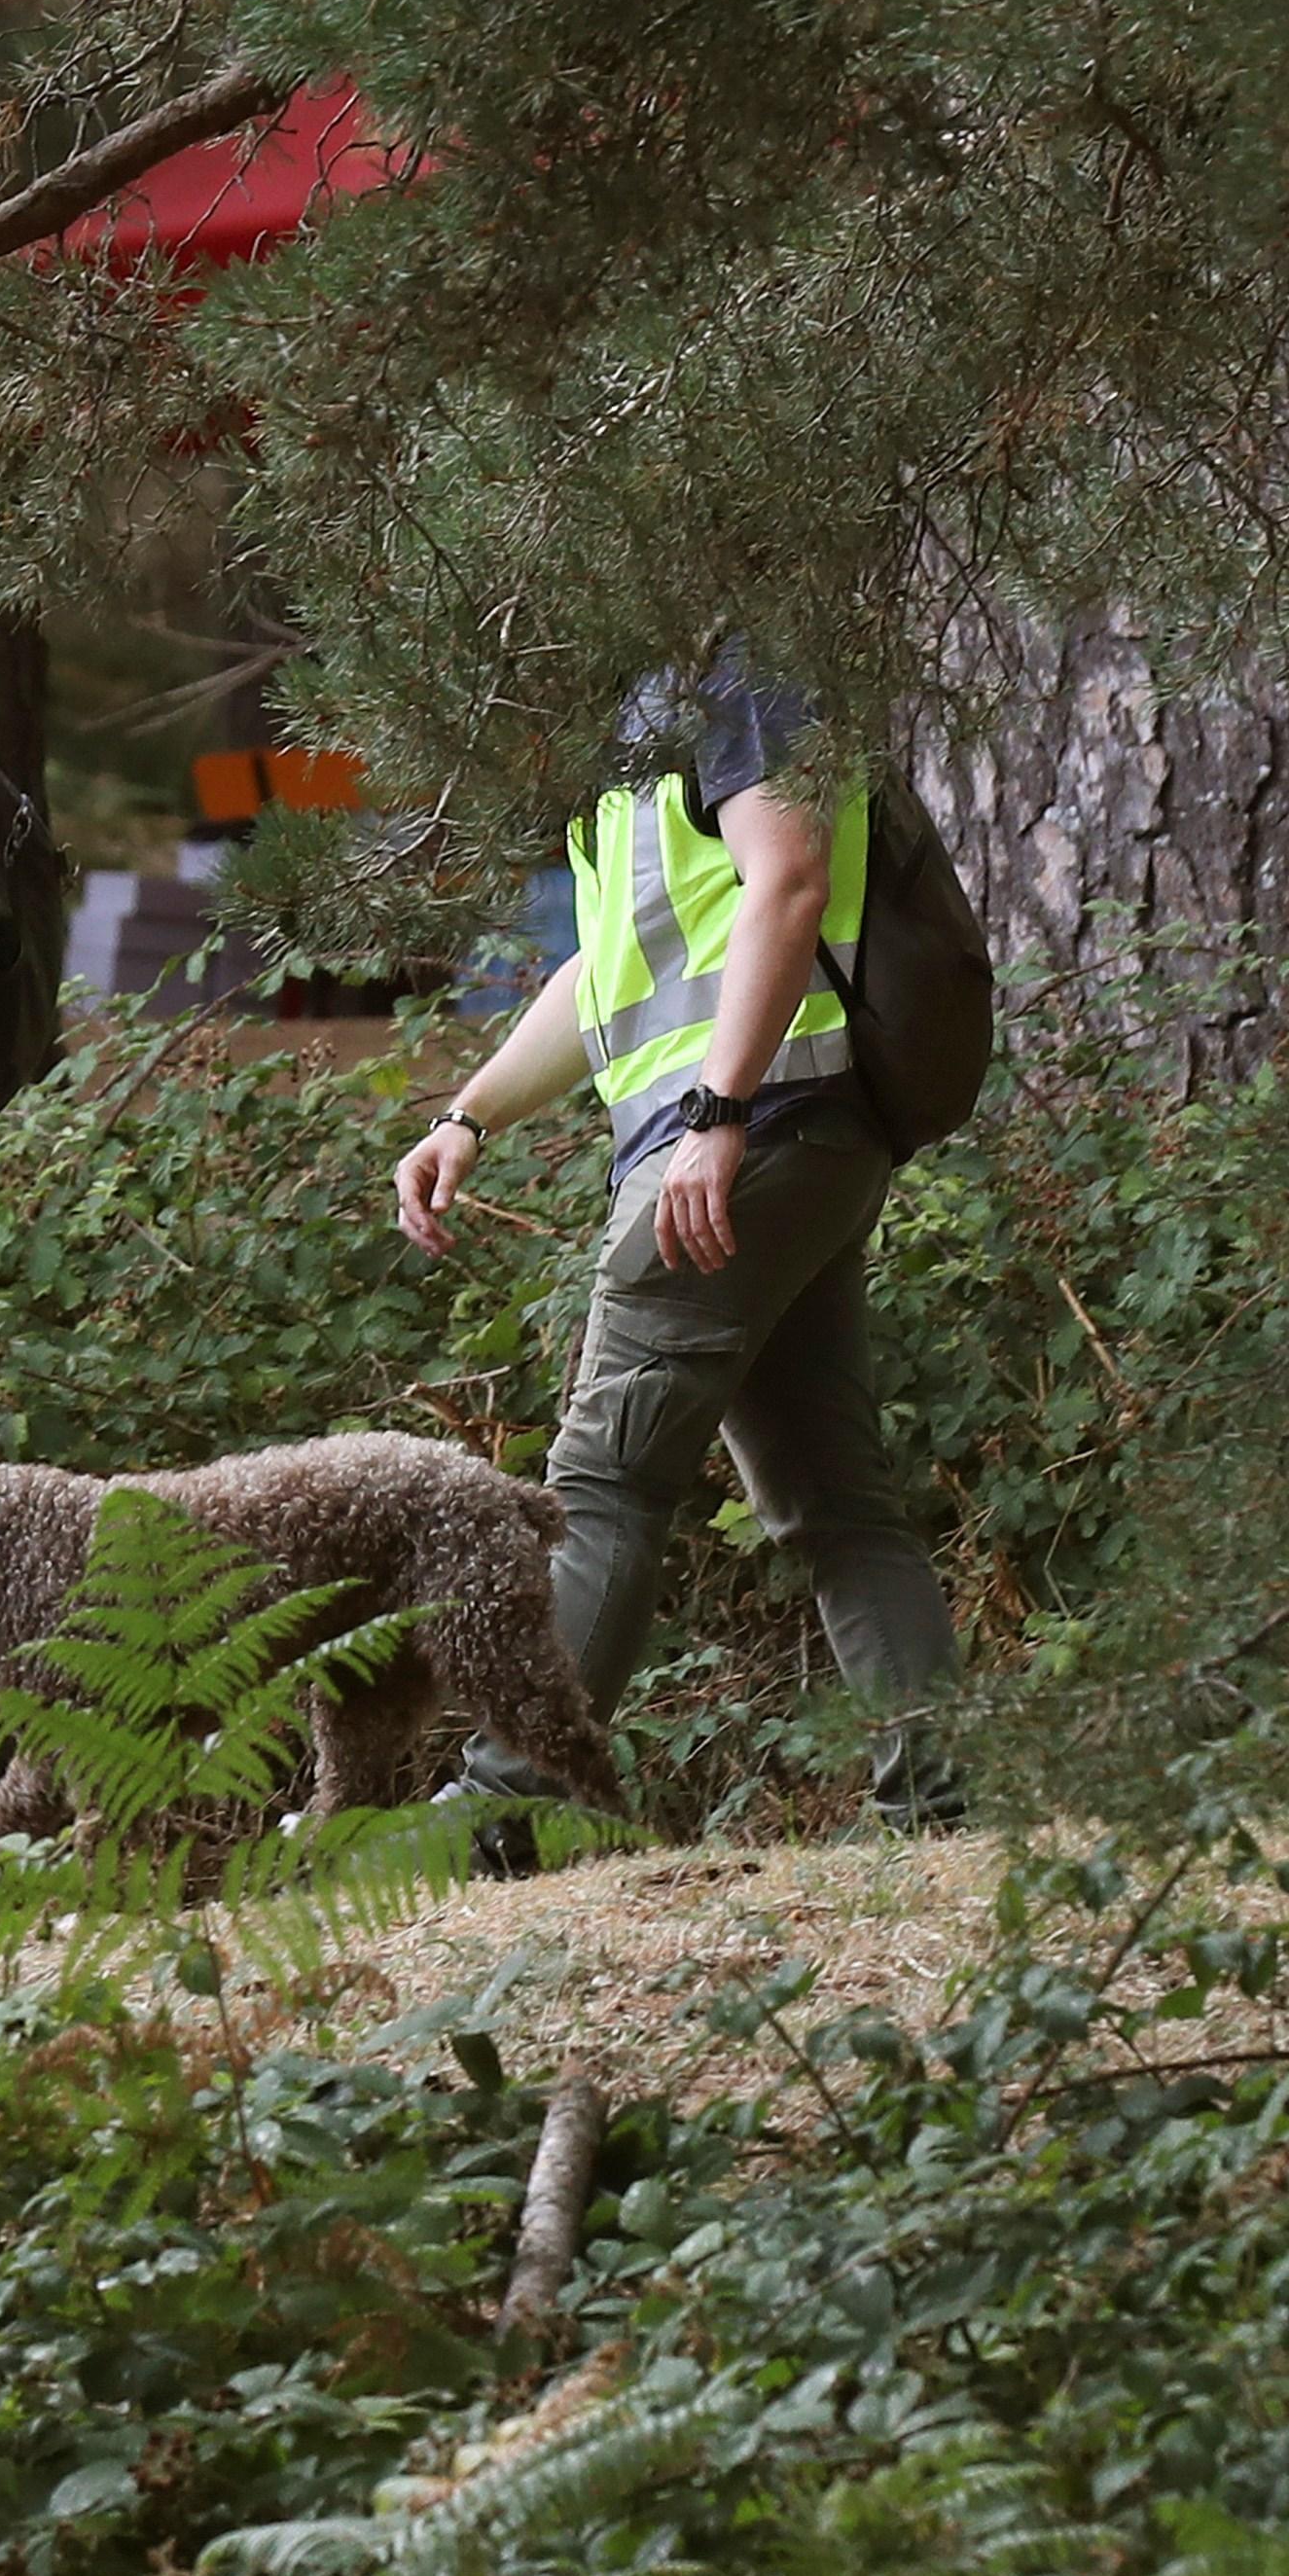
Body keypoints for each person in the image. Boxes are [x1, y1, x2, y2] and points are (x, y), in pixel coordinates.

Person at [389, 676, 962, 1861]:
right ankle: (941, 1808)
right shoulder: (638, 736)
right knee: (836, 1501)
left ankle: (499, 1814)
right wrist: (469, 1115)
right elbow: (602, 977)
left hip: (741, 1142)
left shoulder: (745, 682)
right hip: (784, 1144)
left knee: (600, 1485)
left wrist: (718, 1110)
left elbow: (789, 881)